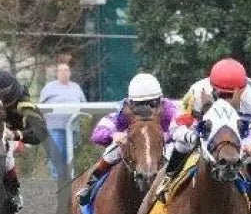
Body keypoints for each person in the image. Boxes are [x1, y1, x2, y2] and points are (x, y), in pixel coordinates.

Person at [160, 56, 251, 214]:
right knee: (183, 143)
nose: (225, 101)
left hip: (240, 130)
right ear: (212, 89)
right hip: (206, 127)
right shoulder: (197, 92)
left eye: (230, 95)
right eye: (221, 95)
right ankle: (169, 178)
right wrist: (192, 137)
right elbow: (176, 127)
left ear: (241, 91)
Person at [76, 73, 178, 205]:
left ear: (159, 100)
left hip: (162, 144)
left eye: (151, 103)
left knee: (178, 154)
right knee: (111, 155)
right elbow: (97, 134)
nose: (146, 109)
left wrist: (163, 137)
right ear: (131, 103)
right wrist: (113, 135)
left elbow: (181, 126)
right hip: (133, 145)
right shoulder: (123, 111)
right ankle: (90, 187)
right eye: (140, 104)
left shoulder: (170, 108)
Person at [0, 70, 48, 211]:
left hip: (5, 137)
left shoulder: (24, 105)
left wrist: (15, 134)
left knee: (6, 154)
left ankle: (13, 189)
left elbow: (40, 132)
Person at [39, 60, 87, 180]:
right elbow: (41, 107)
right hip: (55, 128)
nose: (64, 73)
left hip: (72, 129)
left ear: (70, 73)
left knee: (69, 158)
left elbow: (84, 105)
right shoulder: (49, 88)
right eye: (61, 70)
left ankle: (71, 184)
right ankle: (58, 183)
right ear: (57, 73)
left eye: (66, 70)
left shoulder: (76, 87)